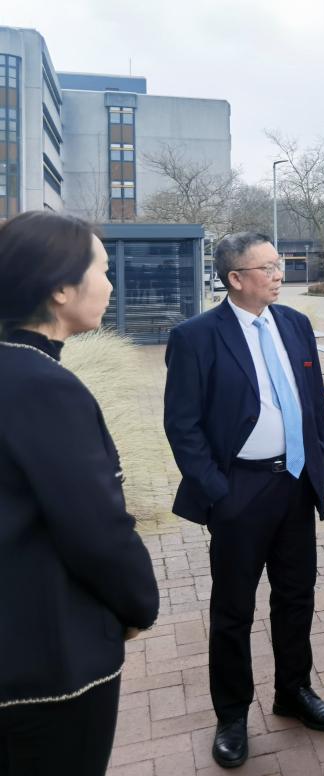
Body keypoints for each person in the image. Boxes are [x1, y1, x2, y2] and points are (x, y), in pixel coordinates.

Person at [163, 232, 324, 769]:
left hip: (295, 483)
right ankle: (233, 715)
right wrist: (217, 491)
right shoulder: (196, 337)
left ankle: (294, 691)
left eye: (278, 264)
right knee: (233, 608)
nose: (279, 274)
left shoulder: (295, 324)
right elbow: (182, 426)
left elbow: (313, 404)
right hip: (238, 490)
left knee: (296, 595)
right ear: (236, 278)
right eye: (268, 267)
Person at [0, 211, 160, 776]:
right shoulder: (45, 387)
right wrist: (138, 605)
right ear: (60, 288)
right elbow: (96, 531)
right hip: (48, 664)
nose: (111, 285)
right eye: (103, 269)